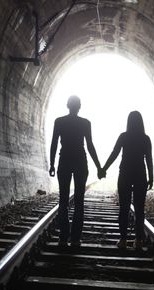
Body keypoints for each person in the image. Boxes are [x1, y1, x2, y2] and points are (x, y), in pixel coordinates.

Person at [49, 95, 103, 247]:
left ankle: (63, 237)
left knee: (63, 200)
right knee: (79, 201)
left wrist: (52, 164)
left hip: (64, 161)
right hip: (80, 162)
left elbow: (54, 144)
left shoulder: (59, 122)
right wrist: (99, 166)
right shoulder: (85, 123)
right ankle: (75, 239)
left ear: (67, 105)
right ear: (79, 106)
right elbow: (90, 146)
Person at [100, 111, 153, 250]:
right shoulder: (145, 139)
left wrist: (103, 168)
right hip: (141, 175)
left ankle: (123, 240)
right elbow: (149, 159)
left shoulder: (124, 136)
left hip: (125, 174)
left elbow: (114, 153)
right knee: (140, 209)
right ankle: (139, 242)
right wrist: (151, 177)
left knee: (124, 208)